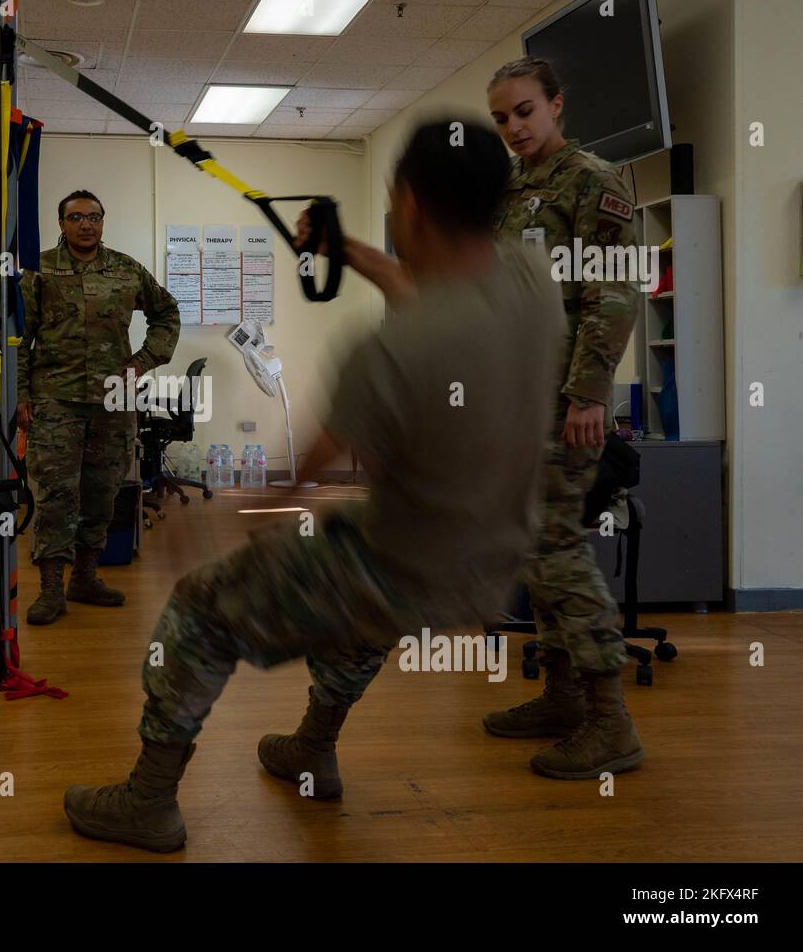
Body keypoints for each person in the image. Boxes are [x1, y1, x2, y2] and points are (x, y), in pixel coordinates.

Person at [61, 119, 565, 852]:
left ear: (412, 205)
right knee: (355, 586)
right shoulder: (530, 281)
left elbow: (301, 476)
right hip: (486, 571)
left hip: (403, 570)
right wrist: (346, 248)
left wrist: (226, 519)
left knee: (201, 608)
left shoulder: (392, 350)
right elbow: (430, 296)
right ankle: (312, 749)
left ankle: (148, 798)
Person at [482, 57, 644, 779]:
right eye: (501, 117)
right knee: (534, 554)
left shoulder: (593, 181)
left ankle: (611, 723)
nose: (513, 126)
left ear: (555, 105)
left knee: (557, 552)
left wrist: (588, 395)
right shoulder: (512, 192)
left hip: (564, 405)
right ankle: (561, 696)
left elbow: (611, 297)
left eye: (523, 111)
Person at [18, 190, 180, 625]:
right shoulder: (39, 270)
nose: (86, 224)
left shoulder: (126, 270)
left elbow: (167, 312)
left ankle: (85, 577)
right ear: (62, 223)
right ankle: (51, 588)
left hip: (114, 398)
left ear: (103, 222)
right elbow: (20, 337)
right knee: (56, 494)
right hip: (56, 398)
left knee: (102, 490)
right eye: (76, 217)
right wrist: (22, 396)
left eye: (93, 217)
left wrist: (143, 361)